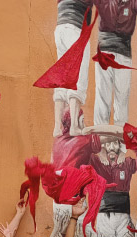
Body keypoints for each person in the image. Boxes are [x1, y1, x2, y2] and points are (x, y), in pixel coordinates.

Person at [93, 0, 137, 127]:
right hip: (104, 52)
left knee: (122, 98)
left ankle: (120, 142)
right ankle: (101, 140)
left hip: (124, 54)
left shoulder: (134, 2)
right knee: (103, 96)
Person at [52, 0, 92, 137]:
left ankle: (57, 126)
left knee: (62, 78)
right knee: (78, 77)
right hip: (76, 28)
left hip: (61, 27)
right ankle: (74, 125)